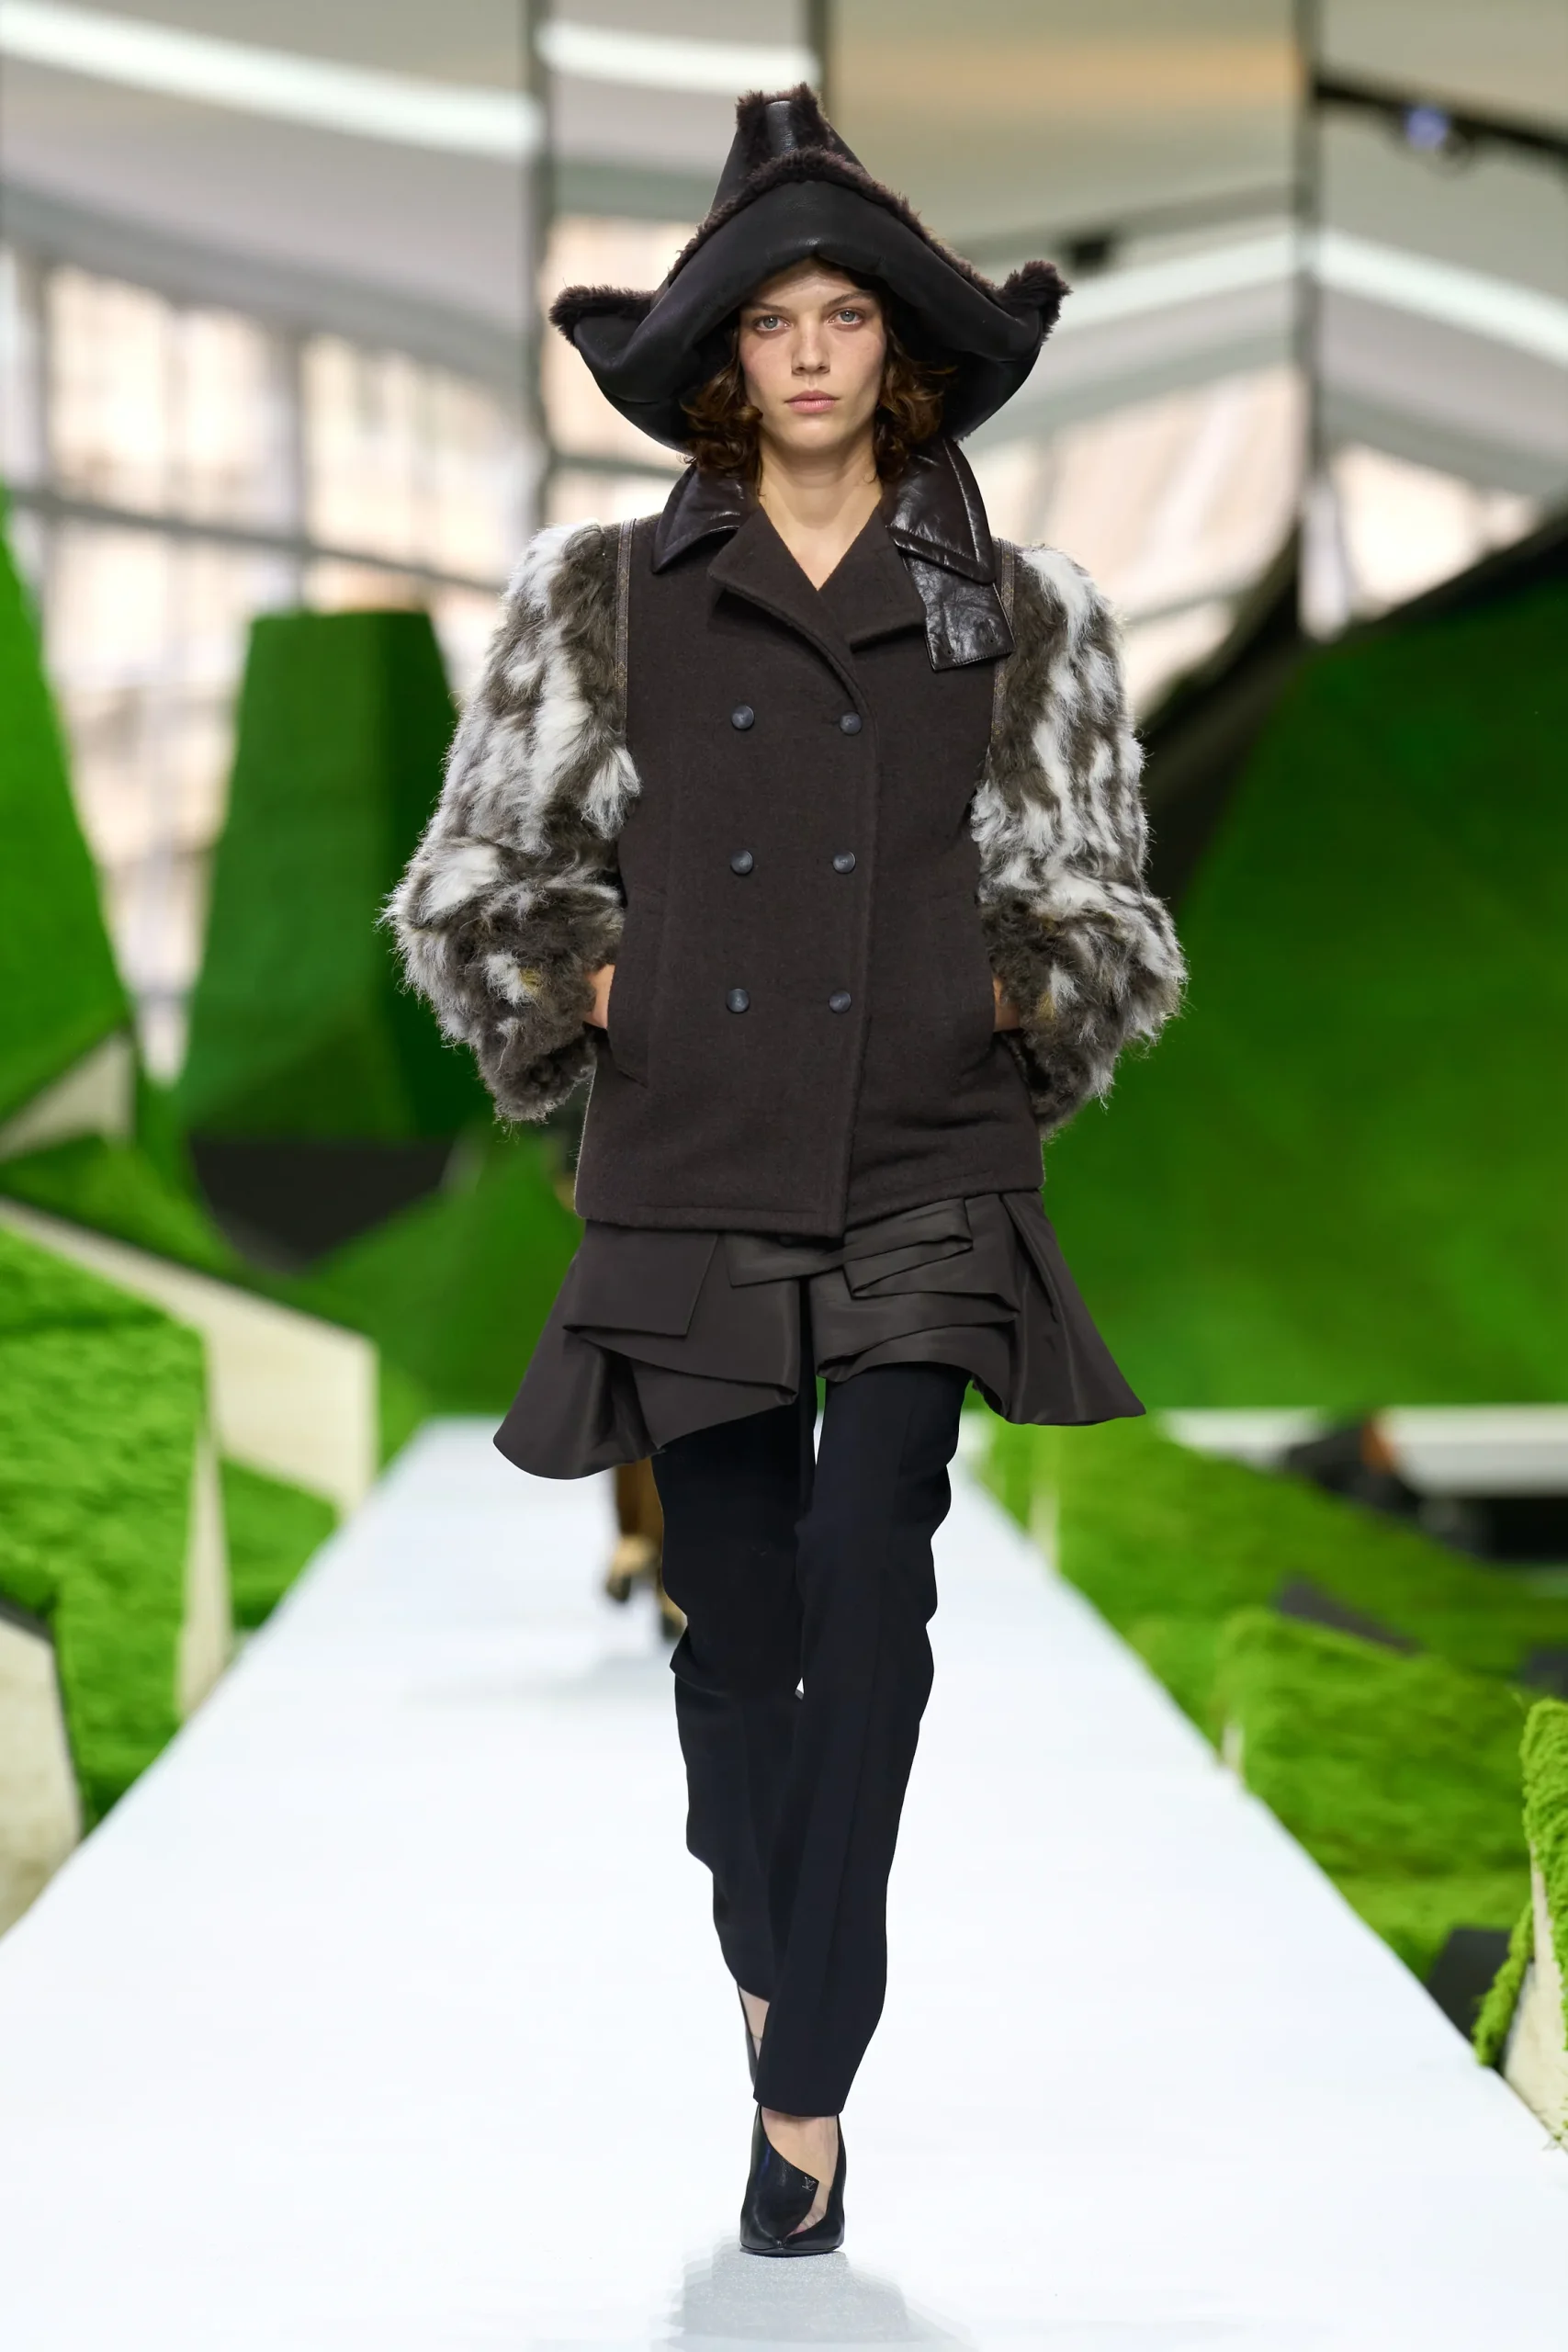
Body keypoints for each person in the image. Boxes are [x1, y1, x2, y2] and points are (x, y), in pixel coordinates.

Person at [389, 86, 1184, 2258]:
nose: (813, 353)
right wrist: (608, 981)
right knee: (734, 1621)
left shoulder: (1022, 607)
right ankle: (780, 1978)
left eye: (846, 317)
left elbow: (1101, 903)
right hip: (689, 1156)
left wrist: (999, 990)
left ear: (895, 347)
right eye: (773, 320)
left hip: (928, 1145)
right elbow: (471, 882)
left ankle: (803, 2070)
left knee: (871, 1571)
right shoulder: (600, 599)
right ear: (723, 358)